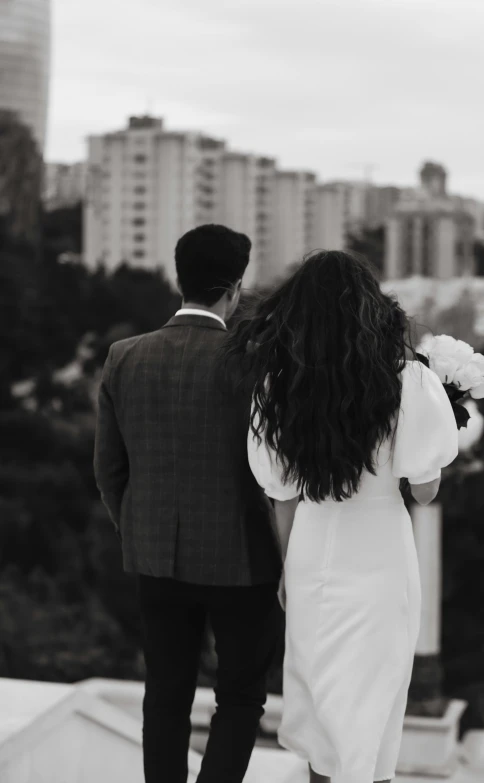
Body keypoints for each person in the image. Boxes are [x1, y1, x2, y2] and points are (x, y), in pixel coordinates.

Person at [223, 250, 459, 783]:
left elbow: (280, 493)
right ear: (372, 309)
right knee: (374, 698)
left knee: (321, 694)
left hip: (313, 545)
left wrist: (288, 567)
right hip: (381, 551)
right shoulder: (408, 381)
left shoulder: (275, 387)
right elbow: (424, 492)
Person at [94, 224, 282, 783]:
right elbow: (276, 468)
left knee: (166, 694)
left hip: (154, 557)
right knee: (241, 697)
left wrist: (138, 529)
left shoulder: (123, 357)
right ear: (235, 288)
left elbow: (109, 469)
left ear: (181, 280)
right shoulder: (255, 362)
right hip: (243, 559)